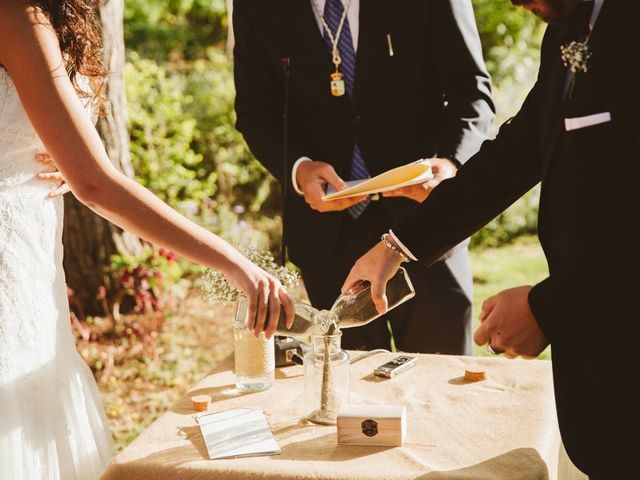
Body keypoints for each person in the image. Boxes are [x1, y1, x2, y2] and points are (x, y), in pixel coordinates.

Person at [343, 0, 639, 477]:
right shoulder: (569, 27)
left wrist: (546, 308)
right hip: (607, 388)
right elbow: (519, 152)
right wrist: (397, 245)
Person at [0, 2, 295, 478]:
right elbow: (96, 184)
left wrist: (68, 159)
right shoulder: (18, 14)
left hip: (33, 252)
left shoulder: (53, 15)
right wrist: (236, 264)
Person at [233, 0, 495, 353]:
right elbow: (255, 112)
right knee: (349, 394)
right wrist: (299, 169)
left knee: (440, 379)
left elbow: (472, 92)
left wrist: (450, 163)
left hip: (425, 227)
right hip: (326, 240)